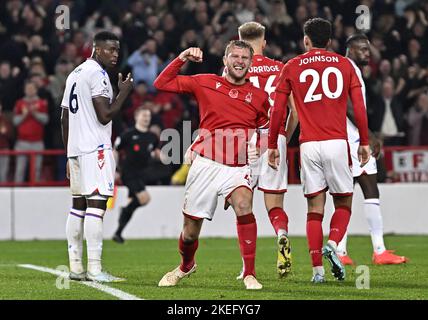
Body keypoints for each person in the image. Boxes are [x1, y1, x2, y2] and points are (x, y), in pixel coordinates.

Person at [154, 41, 270, 290]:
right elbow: (161, 83)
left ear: (251, 63)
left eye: (245, 58)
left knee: (243, 204)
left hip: (238, 167)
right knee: (190, 232)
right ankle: (186, 265)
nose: (240, 61)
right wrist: (182, 57)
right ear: (225, 60)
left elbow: (266, 129)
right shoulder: (205, 82)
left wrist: (259, 144)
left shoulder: (259, 97)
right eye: (235, 56)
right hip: (206, 164)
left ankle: (249, 273)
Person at [268, 18, 370, 283]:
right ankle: (334, 244)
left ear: (306, 40)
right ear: (330, 41)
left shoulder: (291, 66)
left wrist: (272, 145)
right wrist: (365, 142)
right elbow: (359, 108)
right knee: (344, 202)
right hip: (337, 142)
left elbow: (279, 110)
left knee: (314, 208)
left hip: (308, 145)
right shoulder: (345, 64)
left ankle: (317, 273)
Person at [60, 31, 133, 282]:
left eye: (117, 50)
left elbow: (64, 117)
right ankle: (95, 269)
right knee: (97, 205)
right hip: (96, 148)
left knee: (77, 205)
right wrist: (124, 92)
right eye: (110, 49)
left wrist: (70, 154)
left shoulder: (75, 73)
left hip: (78, 150)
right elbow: (105, 115)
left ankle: (76, 267)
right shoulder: (97, 75)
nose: (115, 55)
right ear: (95, 49)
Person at [336, 33, 408, 265]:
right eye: (363, 49)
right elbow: (347, 106)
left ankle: (342, 251)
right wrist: (370, 136)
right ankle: (378, 251)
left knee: (348, 195)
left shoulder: (345, 68)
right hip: (354, 141)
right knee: (370, 192)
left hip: (346, 140)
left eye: (368, 49)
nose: (368, 53)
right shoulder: (349, 68)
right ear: (350, 49)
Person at [235, 21, 298, 279]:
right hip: (276, 138)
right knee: (274, 204)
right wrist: (283, 137)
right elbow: (295, 112)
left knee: (242, 204)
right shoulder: (282, 68)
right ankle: (282, 233)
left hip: (246, 138)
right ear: (264, 42)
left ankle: (246, 267)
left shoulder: (237, 66)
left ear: (240, 41)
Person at [112, 107, 160, 243]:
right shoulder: (128, 134)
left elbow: (155, 151)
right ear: (136, 117)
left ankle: (118, 233)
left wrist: (163, 157)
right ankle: (124, 212)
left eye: (148, 116)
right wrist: (115, 170)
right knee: (145, 198)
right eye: (144, 116)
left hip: (142, 174)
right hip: (129, 173)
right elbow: (115, 150)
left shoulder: (152, 137)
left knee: (132, 205)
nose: (146, 118)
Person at [13, 80, 49, 183]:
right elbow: (15, 121)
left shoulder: (41, 103)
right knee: (20, 170)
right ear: (24, 90)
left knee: (36, 170)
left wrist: (34, 113)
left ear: (36, 90)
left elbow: (45, 119)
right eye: (27, 88)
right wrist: (24, 115)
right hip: (22, 142)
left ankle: (35, 193)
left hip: (37, 141)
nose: (29, 91)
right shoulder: (19, 103)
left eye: (31, 88)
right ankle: (17, 192)